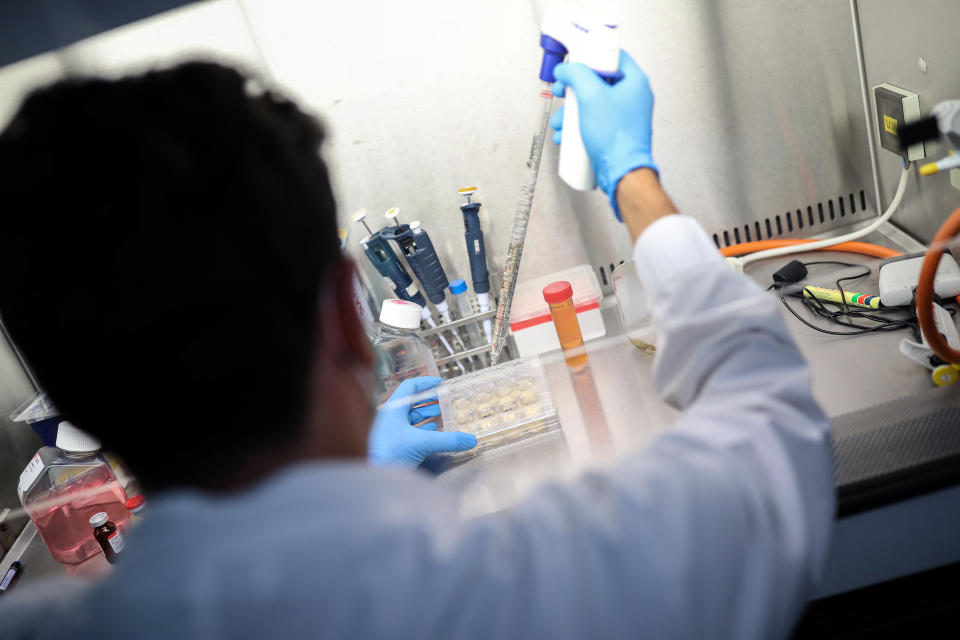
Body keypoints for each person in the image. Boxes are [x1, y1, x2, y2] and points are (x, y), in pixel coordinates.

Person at [0, 51, 833, 639]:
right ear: (345, 315)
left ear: (70, 409)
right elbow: (771, 419)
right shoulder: (565, 583)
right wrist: (631, 172)